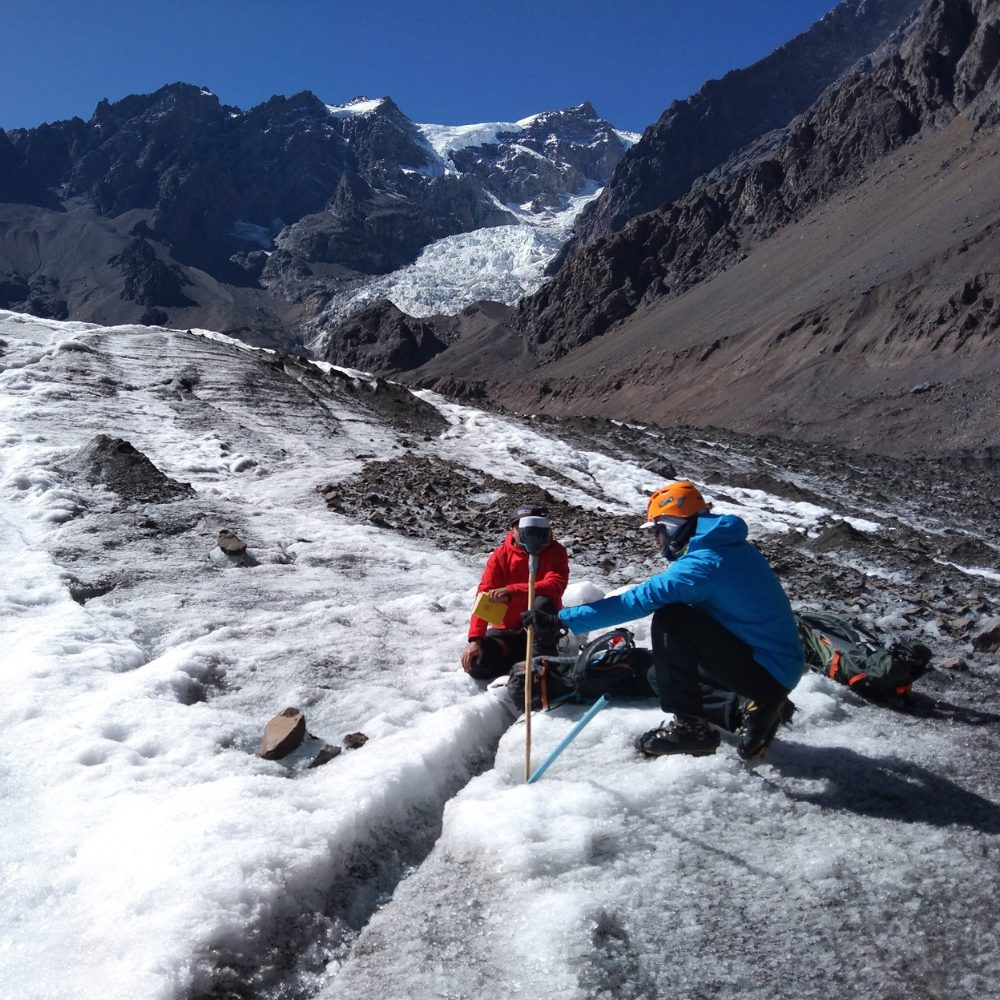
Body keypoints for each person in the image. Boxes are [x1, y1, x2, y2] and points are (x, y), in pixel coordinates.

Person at [522, 481, 804, 760]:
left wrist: (562, 621)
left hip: (766, 671)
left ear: (672, 525)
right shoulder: (727, 547)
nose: (657, 541)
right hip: (771, 664)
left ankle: (691, 729)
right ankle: (754, 708)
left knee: (672, 619)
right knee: (660, 674)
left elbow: (640, 600)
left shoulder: (703, 564)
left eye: (658, 531)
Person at [461, 505, 569, 681]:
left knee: (542, 602)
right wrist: (476, 639)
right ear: (513, 529)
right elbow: (484, 596)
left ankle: (542, 665)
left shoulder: (555, 551)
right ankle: (520, 666)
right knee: (476, 663)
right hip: (508, 632)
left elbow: (555, 585)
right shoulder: (500, 556)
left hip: (541, 627)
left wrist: (512, 591)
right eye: (524, 527)